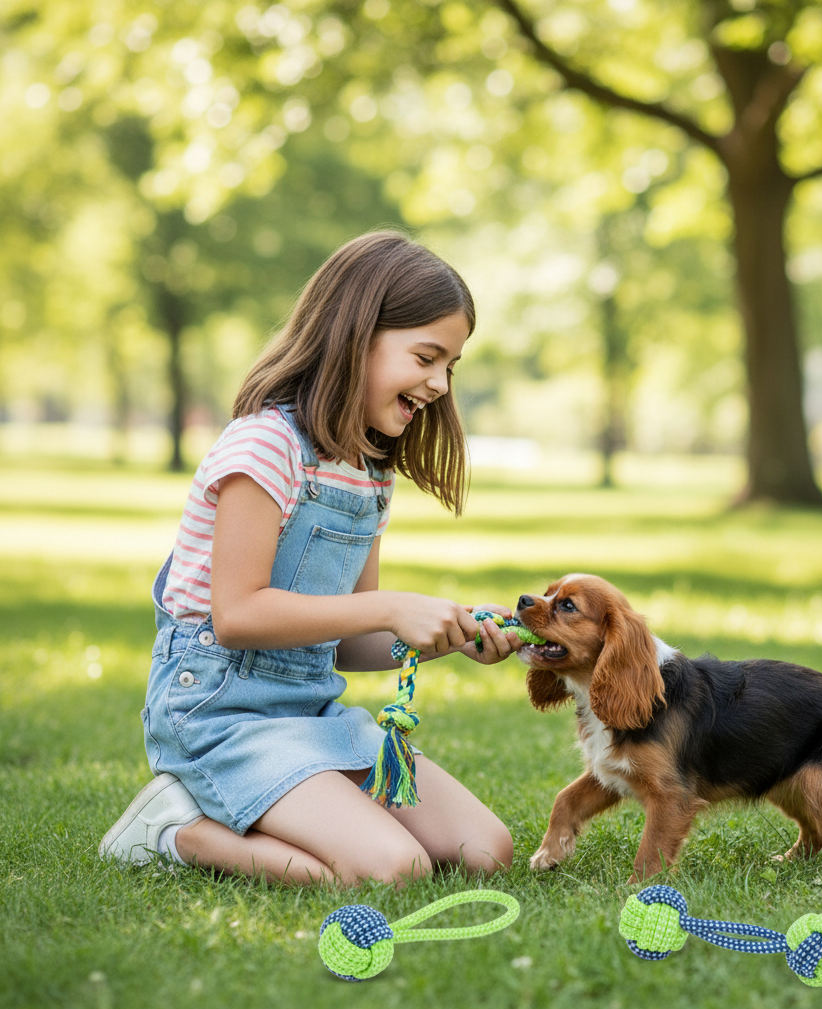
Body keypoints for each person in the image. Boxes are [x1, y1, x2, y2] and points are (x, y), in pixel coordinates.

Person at [99, 231, 521, 886]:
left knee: (483, 850)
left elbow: (351, 641)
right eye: (427, 356)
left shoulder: (370, 472)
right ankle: (175, 831)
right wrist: (390, 606)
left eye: (451, 366)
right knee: (393, 869)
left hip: (313, 714)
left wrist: (451, 636)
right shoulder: (266, 445)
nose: (439, 384)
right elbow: (237, 616)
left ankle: (295, 807)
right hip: (219, 713)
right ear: (357, 335)